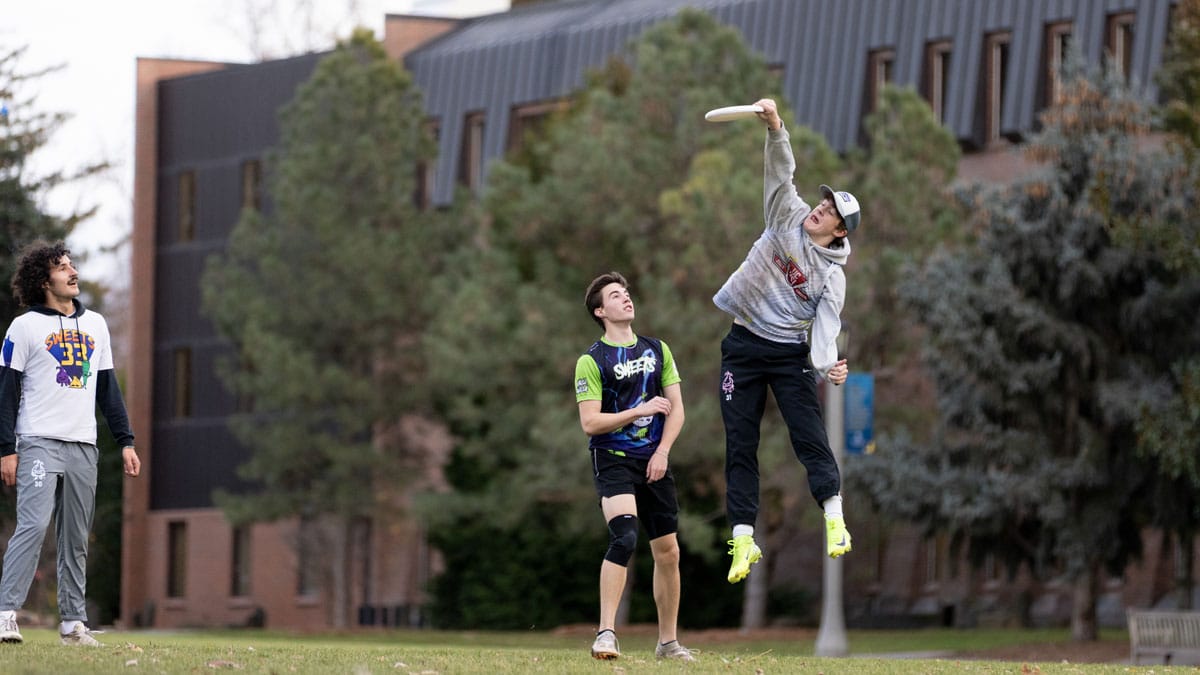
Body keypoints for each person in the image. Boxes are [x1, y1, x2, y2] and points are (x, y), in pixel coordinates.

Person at [714, 98, 861, 584]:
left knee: (809, 437)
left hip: (787, 354)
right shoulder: (786, 215)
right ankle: (743, 539)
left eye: (829, 212)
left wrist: (826, 365)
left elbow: (826, 328)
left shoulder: (832, 277)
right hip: (742, 346)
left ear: (839, 231)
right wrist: (775, 126)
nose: (819, 209)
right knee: (740, 443)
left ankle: (834, 516)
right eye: (823, 202)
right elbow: (782, 171)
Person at [0, 241, 140, 646]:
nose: (72, 272)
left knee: (76, 535)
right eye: (63, 268)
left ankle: (73, 624)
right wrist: (7, 449)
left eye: (72, 264)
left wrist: (126, 441)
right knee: (33, 524)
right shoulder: (23, 327)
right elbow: (6, 392)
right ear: (44, 281)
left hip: (84, 445)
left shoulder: (96, 324)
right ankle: (6, 613)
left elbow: (108, 390)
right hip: (39, 442)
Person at [574, 271, 694, 662]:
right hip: (612, 458)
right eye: (615, 295)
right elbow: (590, 423)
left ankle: (668, 643)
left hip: (654, 459)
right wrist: (638, 411)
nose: (626, 299)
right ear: (600, 310)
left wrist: (662, 452)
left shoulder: (657, 349)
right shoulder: (591, 361)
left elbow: (677, 410)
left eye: (626, 293)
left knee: (669, 552)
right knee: (624, 536)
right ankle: (606, 634)